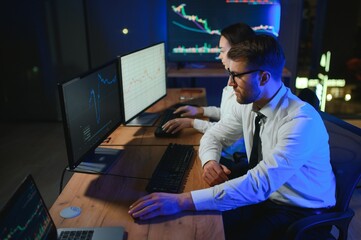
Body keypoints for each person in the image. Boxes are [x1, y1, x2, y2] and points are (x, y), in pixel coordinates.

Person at [128, 35, 336, 239]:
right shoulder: (250, 104)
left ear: (263, 77)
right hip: (267, 198)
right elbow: (214, 135)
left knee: (204, 224)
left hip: (299, 210)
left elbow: (258, 185)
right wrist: (209, 162)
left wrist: (181, 201)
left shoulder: (300, 121)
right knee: (193, 223)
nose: (230, 83)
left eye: (237, 75)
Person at [163, 23, 255, 178]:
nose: (219, 56)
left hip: (232, 159)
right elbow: (227, 113)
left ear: (238, 52)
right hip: (226, 146)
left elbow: (223, 130)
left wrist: (192, 123)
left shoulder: (246, 91)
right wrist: (201, 111)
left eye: (222, 51)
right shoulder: (233, 78)